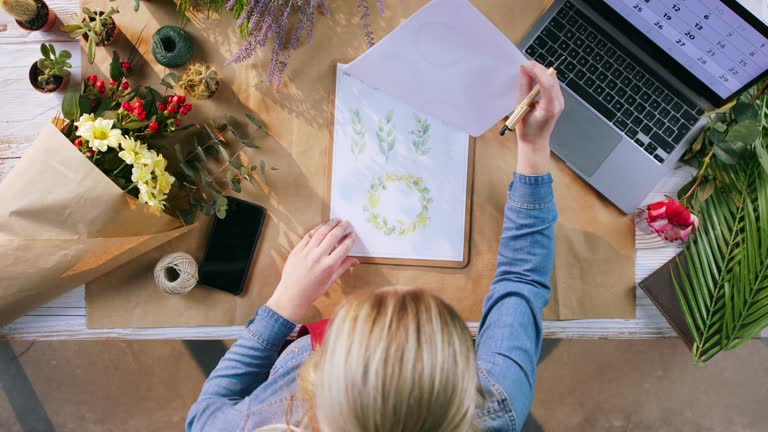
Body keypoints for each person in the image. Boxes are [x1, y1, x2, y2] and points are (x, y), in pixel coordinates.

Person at [186, 61, 564, 432]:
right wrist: (533, 147)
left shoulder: (250, 422)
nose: (393, 289)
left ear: (315, 391)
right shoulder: (493, 407)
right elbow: (522, 278)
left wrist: (283, 304)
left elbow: (203, 417)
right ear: (461, 387)